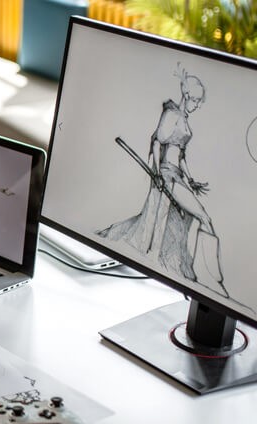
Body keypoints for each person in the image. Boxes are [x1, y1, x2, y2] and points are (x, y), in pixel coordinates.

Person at [97, 66, 228, 297]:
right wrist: (157, 172)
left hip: (177, 175)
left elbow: (181, 154)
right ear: (187, 96)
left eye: (200, 101)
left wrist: (191, 179)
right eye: (196, 100)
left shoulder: (185, 120)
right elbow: (157, 142)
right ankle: (211, 278)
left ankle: (196, 271)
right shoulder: (172, 114)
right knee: (204, 217)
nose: (197, 105)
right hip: (167, 174)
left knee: (191, 219)